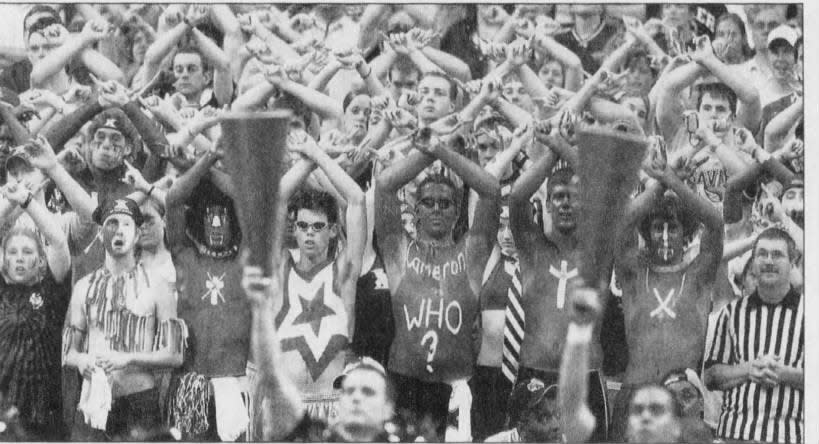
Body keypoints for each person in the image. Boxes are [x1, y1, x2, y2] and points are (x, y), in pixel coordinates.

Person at [375, 120, 499, 439]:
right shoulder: (398, 251)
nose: (436, 209)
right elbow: (386, 184)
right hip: (403, 386)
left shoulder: (470, 256)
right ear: (415, 210)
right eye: (427, 202)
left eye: (445, 204)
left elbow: (491, 191)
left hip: (455, 391)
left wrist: (441, 151)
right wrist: (426, 153)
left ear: (457, 213)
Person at [609, 137, 723, 439]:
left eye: (672, 227)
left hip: (683, 399)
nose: (664, 234)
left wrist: (674, 181)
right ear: (646, 231)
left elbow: (715, 224)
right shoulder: (633, 273)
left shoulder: (699, 274)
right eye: (656, 226)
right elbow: (620, 223)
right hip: (635, 394)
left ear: (685, 232)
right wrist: (660, 183)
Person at [508, 127, 608, 441]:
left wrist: (561, 143)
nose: (566, 204)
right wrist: (552, 151)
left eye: (574, 197)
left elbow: (605, 191)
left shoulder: (599, 252)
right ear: (548, 204)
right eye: (559, 197)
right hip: (534, 373)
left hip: (585, 379)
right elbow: (517, 197)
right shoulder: (531, 246)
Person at [63, 197, 186, 440]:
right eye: (111, 223)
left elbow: (175, 354)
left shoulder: (158, 286)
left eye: (126, 224)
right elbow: (67, 352)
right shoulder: (83, 287)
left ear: (137, 234)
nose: (118, 231)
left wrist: (128, 358)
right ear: (100, 233)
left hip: (139, 402)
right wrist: (82, 360)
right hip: (94, 405)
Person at [271, 131, 366, 422]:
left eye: (318, 226)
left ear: (333, 230)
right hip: (287, 411)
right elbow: (275, 198)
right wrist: (309, 161)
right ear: (294, 229)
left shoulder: (344, 271)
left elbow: (357, 200)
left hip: (332, 410)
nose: (309, 233)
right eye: (302, 226)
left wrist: (316, 153)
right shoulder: (281, 267)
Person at [165, 146, 251, 441]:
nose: (216, 225)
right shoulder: (184, 256)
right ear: (199, 221)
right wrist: (208, 157)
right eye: (210, 218)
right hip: (192, 384)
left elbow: (252, 202)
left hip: (238, 384)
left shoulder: (246, 259)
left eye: (223, 218)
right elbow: (173, 200)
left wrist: (212, 168)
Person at [704, 227, 804, 443]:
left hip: (789, 435)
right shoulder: (732, 312)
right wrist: (749, 369)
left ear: (792, 263)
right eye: (762, 254)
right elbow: (711, 376)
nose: (769, 261)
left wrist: (784, 374)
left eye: (777, 254)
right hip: (735, 434)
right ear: (753, 262)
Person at [0, 152, 72, 440]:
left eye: (27, 252)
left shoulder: (51, 286)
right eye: (13, 252)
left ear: (40, 261)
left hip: (44, 413)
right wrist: (9, 201)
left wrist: (28, 200)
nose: (19, 259)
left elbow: (56, 240)